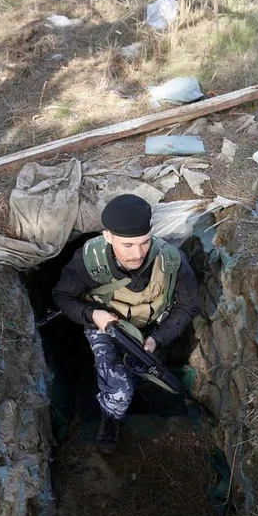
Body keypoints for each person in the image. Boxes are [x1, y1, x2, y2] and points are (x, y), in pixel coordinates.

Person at [52, 194, 200, 454]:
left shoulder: (170, 260)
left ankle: (137, 386)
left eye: (144, 243)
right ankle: (111, 418)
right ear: (107, 236)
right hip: (103, 325)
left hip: (150, 327)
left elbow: (188, 304)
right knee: (118, 384)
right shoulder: (89, 262)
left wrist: (157, 338)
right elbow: (63, 296)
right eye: (128, 245)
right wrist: (93, 315)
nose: (138, 254)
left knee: (144, 370)